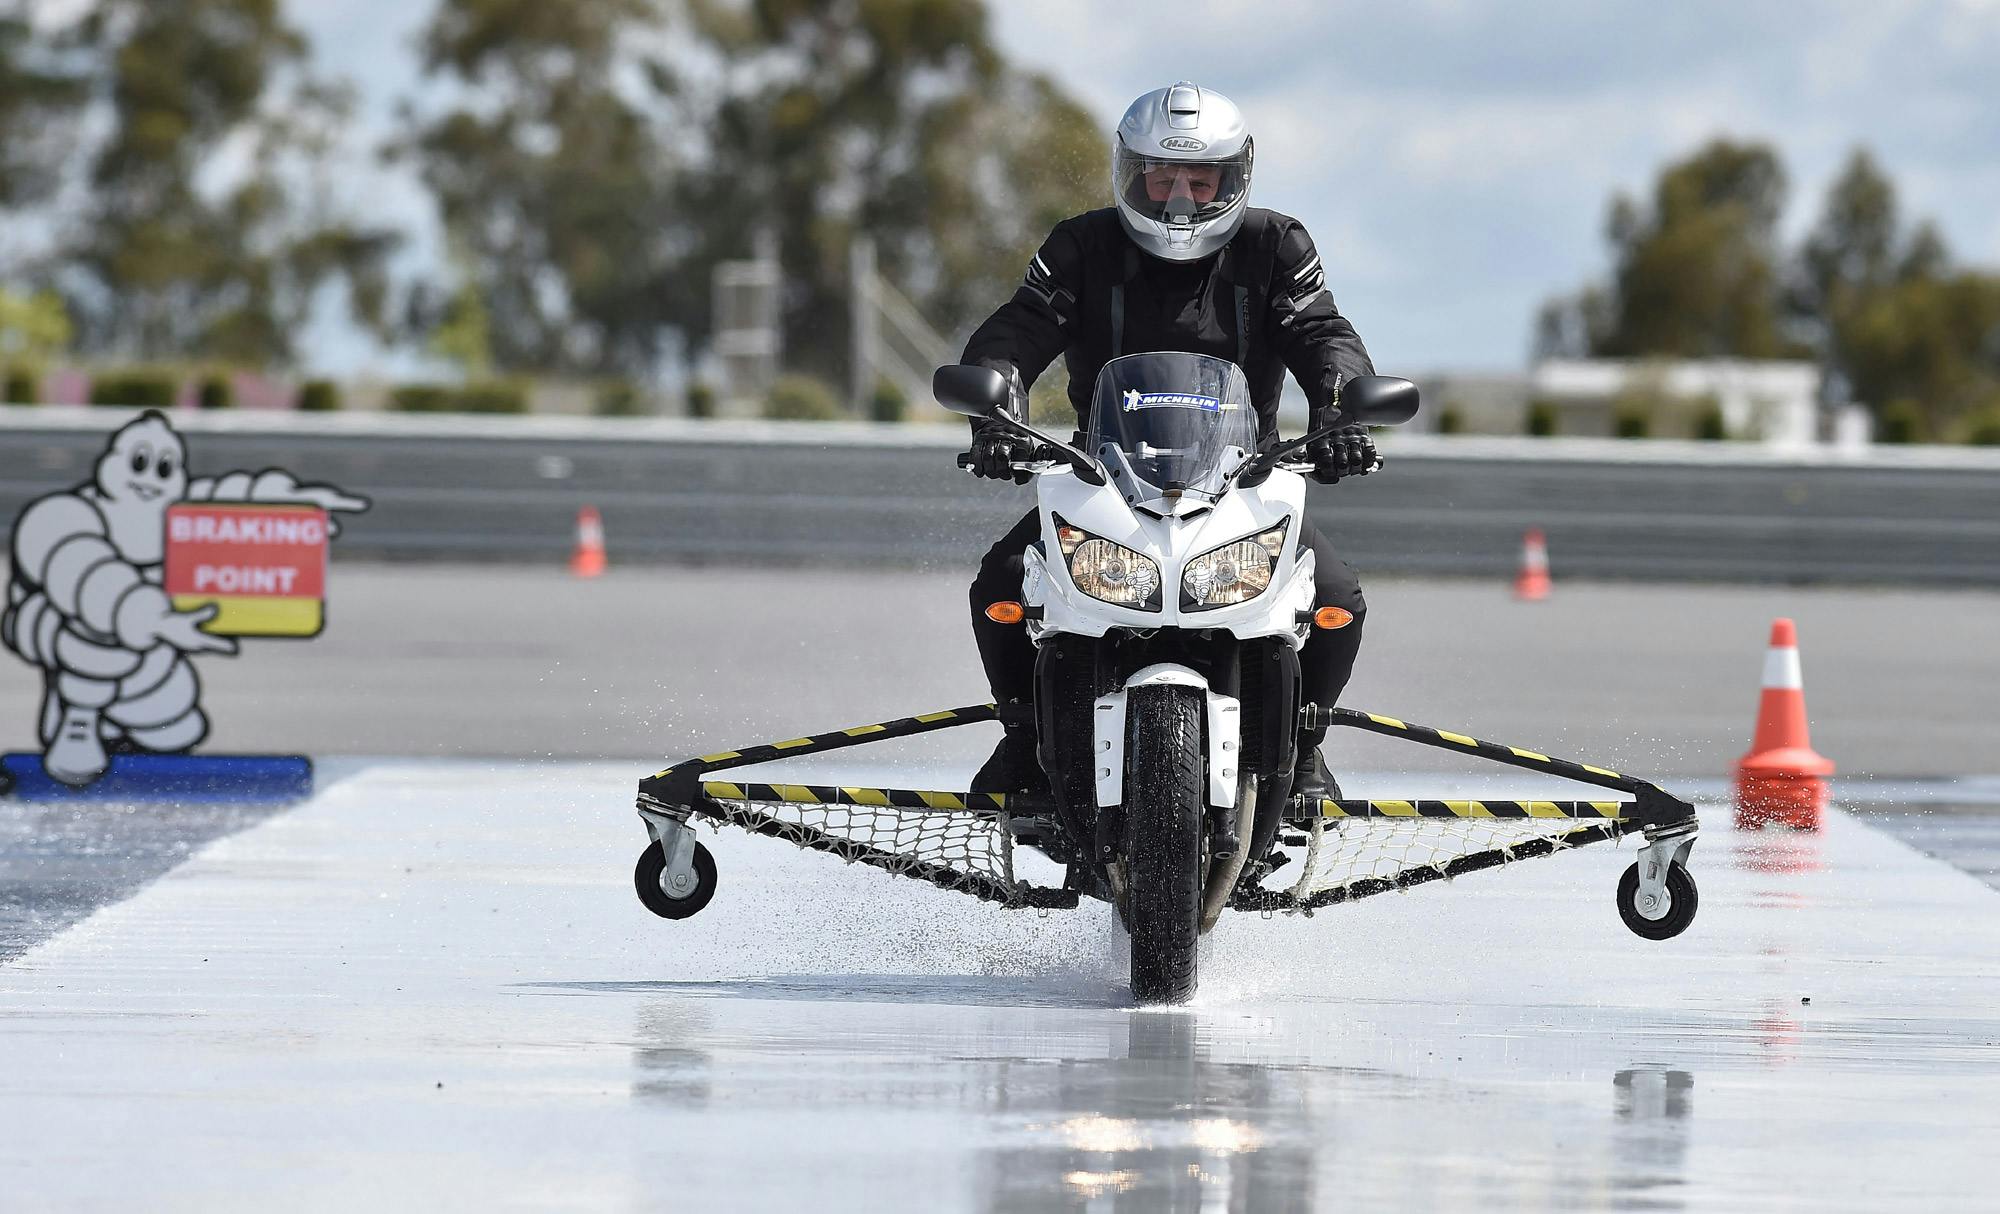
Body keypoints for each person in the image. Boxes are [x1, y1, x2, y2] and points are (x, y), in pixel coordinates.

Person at [957, 82, 1380, 803]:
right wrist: (995, 405)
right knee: (1000, 587)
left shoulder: (1276, 246)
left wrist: (1343, 410)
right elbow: (1018, 329)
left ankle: (1303, 750)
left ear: (1233, 177)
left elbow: (1321, 334)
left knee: (1338, 601)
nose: (1178, 199)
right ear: (1131, 172)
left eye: (1199, 178)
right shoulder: (1080, 245)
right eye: (1160, 176)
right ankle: (1026, 743)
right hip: (1102, 482)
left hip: (1246, 484)